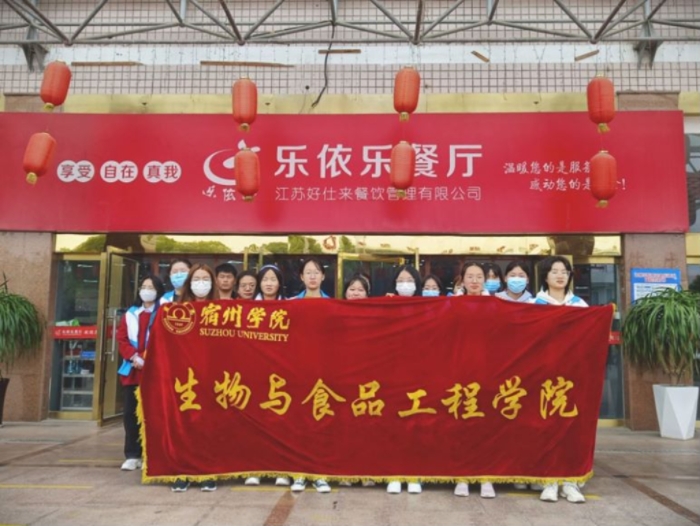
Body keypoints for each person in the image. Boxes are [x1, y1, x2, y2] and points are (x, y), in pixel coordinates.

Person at [530, 256, 588, 504]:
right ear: (545, 276)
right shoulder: (534, 305)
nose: (560, 275)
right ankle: (548, 481)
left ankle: (570, 482)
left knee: (571, 428)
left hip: (572, 376)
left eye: (564, 271)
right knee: (544, 427)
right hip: (542, 376)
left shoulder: (580, 305)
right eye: (554, 271)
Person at [171, 264, 218, 492]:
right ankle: (183, 472)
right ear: (189, 283)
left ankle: (208, 472)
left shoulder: (223, 309)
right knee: (185, 425)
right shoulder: (176, 311)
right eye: (196, 279)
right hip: (185, 377)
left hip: (214, 377)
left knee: (209, 426)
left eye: (205, 279)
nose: (201, 283)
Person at [453, 261, 496, 499]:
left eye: (479, 276)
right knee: (461, 425)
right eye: (470, 276)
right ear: (462, 279)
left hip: (489, 371)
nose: (475, 281)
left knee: (486, 426)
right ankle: (462, 476)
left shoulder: (496, 305)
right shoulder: (452, 304)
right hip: (459, 371)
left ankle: (486, 476)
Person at [117, 275, 165, 473]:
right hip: (133, 370)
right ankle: (132, 455)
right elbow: (122, 339)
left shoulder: (164, 312)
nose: (146, 290)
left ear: (158, 291)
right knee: (130, 414)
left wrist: (147, 358)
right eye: (144, 286)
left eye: (151, 287)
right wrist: (134, 357)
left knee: (153, 414)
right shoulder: (131, 313)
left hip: (155, 370)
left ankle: (151, 454)